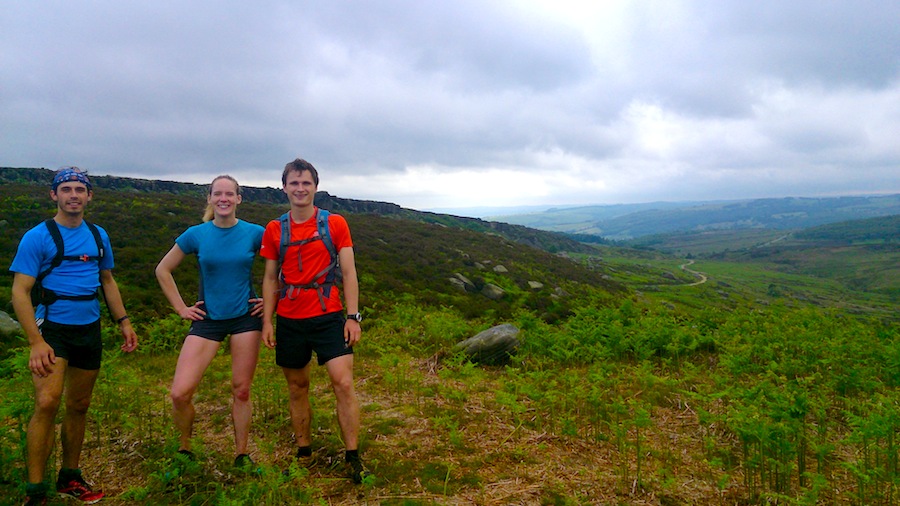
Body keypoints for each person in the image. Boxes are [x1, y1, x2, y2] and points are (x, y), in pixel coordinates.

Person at [9, 167, 139, 506]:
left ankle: (70, 476)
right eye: (66, 189)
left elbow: (107, 280)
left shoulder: (98, 236)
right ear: (54, 195)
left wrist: (123, 321)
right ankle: (36, 491)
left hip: (89, 327)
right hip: (52, 330)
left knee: (79, 405)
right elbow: (20, 292)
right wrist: (36, 342)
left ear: (89, 196)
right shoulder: (37, 236)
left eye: (80, 189)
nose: (73, 195)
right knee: (47, 402)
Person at [260, 158, 372, 483]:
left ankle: (353, 457)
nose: (300, 189)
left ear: (315, 187)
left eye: (306, 183)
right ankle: (304, 452)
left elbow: (349, 273)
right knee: (297, 387)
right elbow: (270, 278)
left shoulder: (335, 224)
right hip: (291, 318)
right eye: (294, 183)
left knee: (344, 382)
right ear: (284, 188)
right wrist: (268, 321)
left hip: (328, 316)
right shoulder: (274, 229)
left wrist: (353, 317)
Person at [155, 175, 265, 468]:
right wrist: (181, 308)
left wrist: (272, 298)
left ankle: (242, 454)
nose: (224, 199)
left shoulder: (255, 233)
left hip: (245, 316)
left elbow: (283, 264)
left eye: (230, 194)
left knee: (241, 389)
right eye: (218, 194)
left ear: (239, 199)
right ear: (210, 198)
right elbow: (163, 270)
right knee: (180, 392)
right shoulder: (196, 234)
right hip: (208, 318)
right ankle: (185, 449)